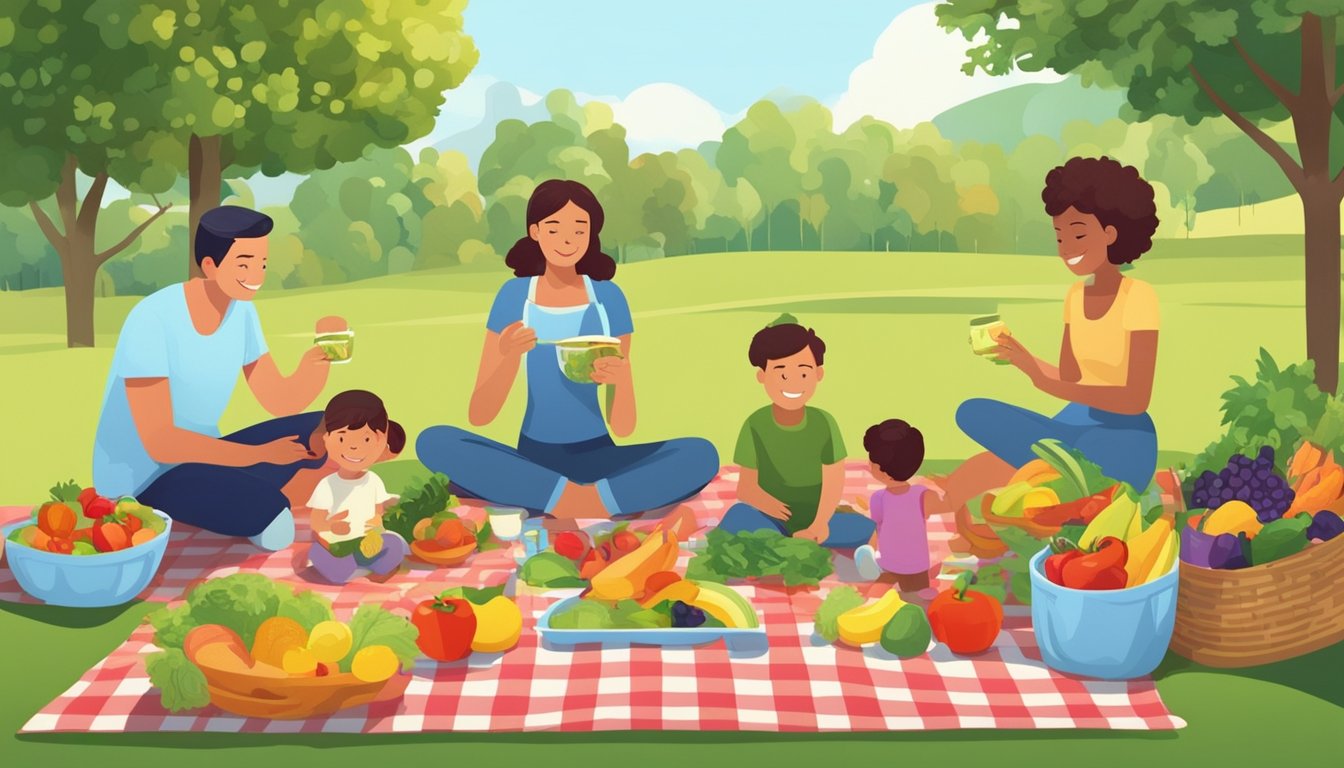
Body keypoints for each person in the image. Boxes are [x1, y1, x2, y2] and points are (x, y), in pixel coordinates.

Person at [416, 179, 719, 521]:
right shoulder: (514, 296)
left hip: (600, 456)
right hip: (532, 459)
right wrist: (507, 356)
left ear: (591, 235)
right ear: (535, 231)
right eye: (555, 228)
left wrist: (623, 377)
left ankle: (572, 499)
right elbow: (481, 414)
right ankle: (587, 500)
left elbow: (624, 426)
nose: (567, 240)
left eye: (579, 230)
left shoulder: (608, 298)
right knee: (434, 441)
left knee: (700, 454)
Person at [92, 205, 337, 550]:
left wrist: (321, 358)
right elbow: (160, 442)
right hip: (147, 478)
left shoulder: (242, 312)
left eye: (262, 263)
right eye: (244, 263)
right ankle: (247, 500)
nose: (257, 274)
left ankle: (234, 494)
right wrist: (259, 455)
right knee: (276, 526)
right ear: (210, 265)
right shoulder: (152, 319)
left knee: (327, 428)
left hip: (211, 455)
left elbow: (279, 399)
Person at [941, 156, 1161, 513]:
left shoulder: (1138, 296)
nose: (1066, 247)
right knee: (976, 428)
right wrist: (1023, 360)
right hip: (1078, 420)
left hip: (1124, 442)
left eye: (1077, 233)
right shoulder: (1076, 296)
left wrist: (1047, 384)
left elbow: (1135, 399)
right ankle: (957, 496)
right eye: (1059, 236)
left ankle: (1072, 485)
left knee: (999, 442)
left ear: (1110, 232)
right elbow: (1071, 376)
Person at [716, 315, 876, 548]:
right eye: (781, 374)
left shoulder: (824, 422)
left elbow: (834, 481)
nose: (793, 384)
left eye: (803, 373)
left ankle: (796, 544)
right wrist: (769, 505)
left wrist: (819, 524)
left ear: (818, 374)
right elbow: (746, 488)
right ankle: (785, 544)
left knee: (867, 529)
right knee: (738, 517)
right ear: (762, 376)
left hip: (819, 519)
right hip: (771, 519)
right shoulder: (755, 424)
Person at [306, 390, 410, 584]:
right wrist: (331, 527)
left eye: (366, 439)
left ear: (381, 440)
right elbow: (316, 522)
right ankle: (349, 570)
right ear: (327, 439)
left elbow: (377, 513)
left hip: (367, 542)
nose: (354, 448)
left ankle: (371, 568)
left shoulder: (374, 481)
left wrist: (376, 526)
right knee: (319, 555)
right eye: (342, 439)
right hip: (337, 546)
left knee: (394, 545)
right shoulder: (327, 485)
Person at [853, 419, 948, 592]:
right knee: (917, 597)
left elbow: (877, 528)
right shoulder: (923, 494)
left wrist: (869, 549)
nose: (868, 465)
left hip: (892, 565)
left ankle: (875, 567)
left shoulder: (879, 498)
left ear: (883, 472)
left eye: (871, 463)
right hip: (914, 566)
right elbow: (947, 504)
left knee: (877, 596)